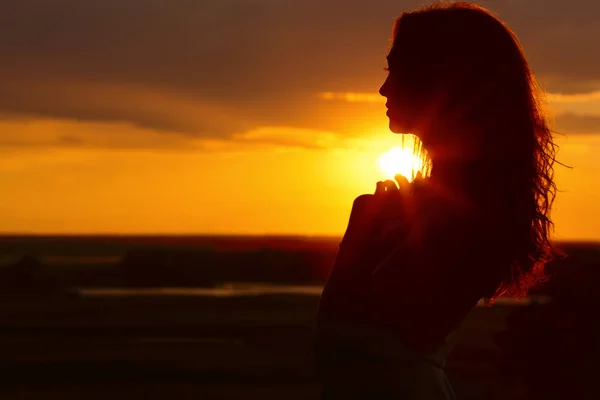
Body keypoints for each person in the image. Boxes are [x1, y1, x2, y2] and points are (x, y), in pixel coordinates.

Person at [313, 2, 561, 399]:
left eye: (396, 71)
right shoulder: (459, 203)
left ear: (441, 79)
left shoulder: (465, 212)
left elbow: (348, 335)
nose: (384, 88)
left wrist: (361, 231)